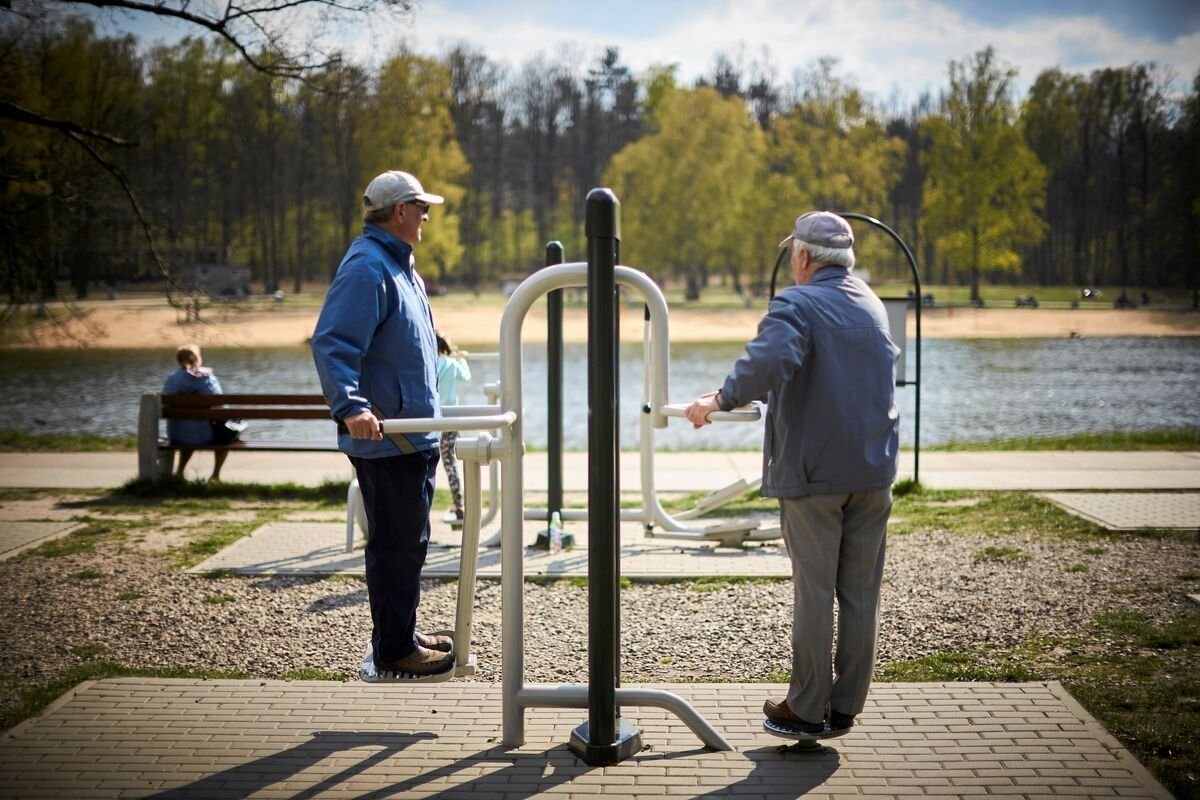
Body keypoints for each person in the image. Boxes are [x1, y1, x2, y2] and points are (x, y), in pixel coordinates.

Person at [685, 211, 899, 734]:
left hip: (814, 475)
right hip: (873, 471)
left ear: (802, 256)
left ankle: (805, 708)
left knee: (814, 590)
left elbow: (766, 363)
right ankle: (845, 705)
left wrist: (720, 399)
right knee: (860, 593)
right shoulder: (872, 304)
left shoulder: (797, 303)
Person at [311, 169, 454, 678]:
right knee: (395, 546)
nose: (427, 217)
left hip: (411, 432)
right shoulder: (368, 267)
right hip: (388, 436)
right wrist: (351, 407)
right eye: (422, 207)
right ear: (399, 211)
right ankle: (395, 649)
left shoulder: (400, 266)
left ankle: (402, 631)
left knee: (409, 542)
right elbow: (333, 342)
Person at [162, 343, 238, 481]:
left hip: (176, 436)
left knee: (189, 428)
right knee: (225, 437)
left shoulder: (172, 378)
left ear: (178, 360)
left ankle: (179, 473)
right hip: (203, 436)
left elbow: (166, 401)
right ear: (198, 358)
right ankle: (215, 475)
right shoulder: (205, 377)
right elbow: (219, 403)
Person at [435, 332, 471, 527]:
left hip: (435, 419)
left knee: (437, 459)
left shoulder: (430, 365)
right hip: (453, 417)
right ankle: (460, 505)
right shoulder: (450, 364)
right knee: (451, 461)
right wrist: (462, 360)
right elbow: (466, 377)